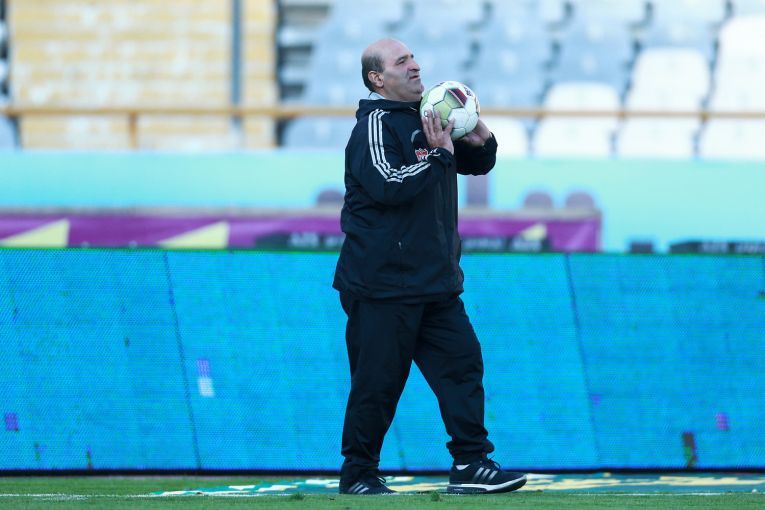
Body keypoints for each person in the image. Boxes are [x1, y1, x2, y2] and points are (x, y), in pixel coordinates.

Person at [332, 38, 527, 496]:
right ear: (377, 78)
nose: (415, 66)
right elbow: (388, 183)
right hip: (382, 284)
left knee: (463, 368)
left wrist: (481, 138)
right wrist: (440, 155)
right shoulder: (374, 126)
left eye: (414, 57)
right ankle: (358, 474)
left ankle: (471, 464)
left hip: (435, 282)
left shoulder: (429, 114)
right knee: (377, 384)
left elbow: (473, 165)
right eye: (402, 61)